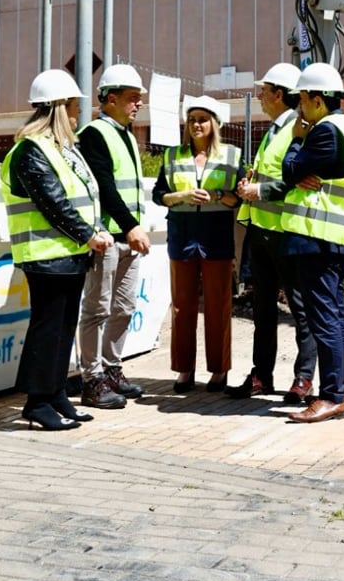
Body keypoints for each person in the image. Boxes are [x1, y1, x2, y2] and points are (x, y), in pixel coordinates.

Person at [0, 69, 113, 431]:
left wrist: (91, 233)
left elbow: (77, 199)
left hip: (69, 254)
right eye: (73, 105)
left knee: (63, 328)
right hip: (45, 256)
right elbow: (54, 202)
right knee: (47, 328)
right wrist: (89, 234)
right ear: (58, 107)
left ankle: (55, 392)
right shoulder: (31, 151)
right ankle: (36, 401)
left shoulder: (63, 150)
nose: (78, 112)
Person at [228, 63, 317, 404]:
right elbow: (275, 175)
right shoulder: (274, 129)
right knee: (262, 309)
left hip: (287, 234)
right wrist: (250, 184)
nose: (260, 96)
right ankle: (261, 374)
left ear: (279, 94)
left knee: (300, 309)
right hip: (263, 233)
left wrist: (258, 191)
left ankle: (303, 378)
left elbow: (299, 180)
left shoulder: (299, 128)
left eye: (264, 90)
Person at [281, 62, 344, 424]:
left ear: (317, 99)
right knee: (335, 315)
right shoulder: (340, 129)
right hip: (333, 238)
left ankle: (331, 396)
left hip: (320, 238)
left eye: (302, 99)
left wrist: (297, 140)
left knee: (324, 318)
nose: (299, 107)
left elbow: (289, 170)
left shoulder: (324, 132)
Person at [152, 95, 244, 393]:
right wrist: (182, 196)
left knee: (218, 306)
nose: (196, 125)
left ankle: (219, 370)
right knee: (182, 307)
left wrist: (217, 196)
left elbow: (239, 198)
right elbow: (159, 195)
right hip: (182, 236)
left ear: (214, 124)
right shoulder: (172, 156)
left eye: (202, 119)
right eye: (192, 119)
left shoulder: (231, 156)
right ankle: (184, 370)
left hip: (216, 237)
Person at [75, 64, 152, 410]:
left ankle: (112, 369)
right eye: (132, 98)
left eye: (139, 99)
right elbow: (105, 186)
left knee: (123, 307)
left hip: (127, 239)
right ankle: (91, 379)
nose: (138, 104)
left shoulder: (127, 136)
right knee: (97, 309)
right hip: (108, 237)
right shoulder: (94, 134)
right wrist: (130, 225)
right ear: (109, 98)